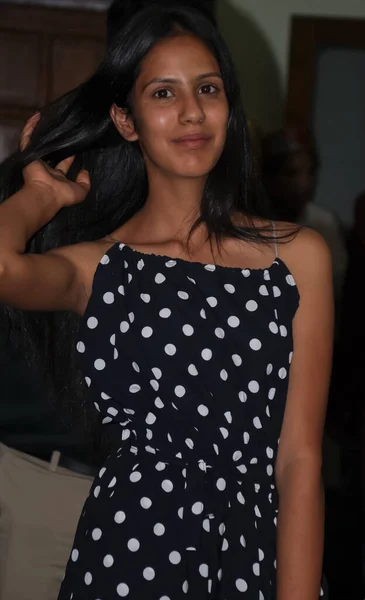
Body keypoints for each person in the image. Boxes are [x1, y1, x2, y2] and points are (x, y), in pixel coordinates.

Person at [0, 5, 333, 599]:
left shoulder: (299, 256)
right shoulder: (101, 265)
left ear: (229, 108)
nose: (191, 111)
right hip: (130, 548)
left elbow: (300, 460)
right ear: (126, 122)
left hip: (252, 548)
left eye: (208, 88)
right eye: (163, 93)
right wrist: (42, 195)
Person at [262, 127, 347, 314]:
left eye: (311, 172)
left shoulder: (325, 223)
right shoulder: (251, 225)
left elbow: (337, 292)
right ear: (269, 178)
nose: (304, 183)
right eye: (291, 173)